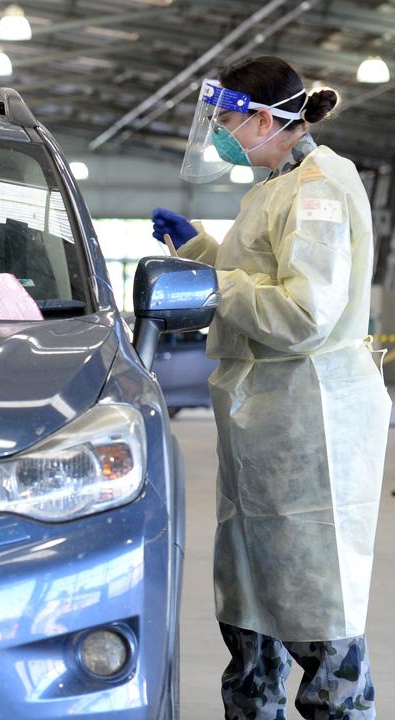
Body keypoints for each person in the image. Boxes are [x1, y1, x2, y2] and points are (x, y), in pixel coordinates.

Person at [154, 56, 386, 718]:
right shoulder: (273, 187)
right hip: (263, 421)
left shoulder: (320, 188)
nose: (220, 135)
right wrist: (200, 250)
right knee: (250, 606)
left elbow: (303, 314)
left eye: (226, 121)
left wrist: (214, 284)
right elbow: (257, 270)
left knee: (317, 609)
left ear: (263, 119)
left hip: (309, 421)